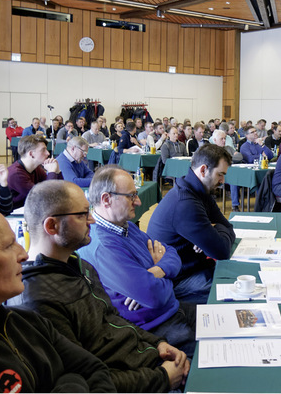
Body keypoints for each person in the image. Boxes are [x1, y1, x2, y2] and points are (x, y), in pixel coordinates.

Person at [12, 181, 189, 392]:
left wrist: (157, 344)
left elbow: (114, 318)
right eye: (82, 214)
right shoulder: (38, 300)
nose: (92, 220)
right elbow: (86, 381)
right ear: (52, 226)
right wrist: (162, 378)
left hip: (147, 359)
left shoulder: (79, 265)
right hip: (142, 381)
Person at [0, 201, 115, 392]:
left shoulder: (26, 321)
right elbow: (82, 374)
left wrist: (69, 380)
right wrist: (72, 380)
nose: (23, 254)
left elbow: (95, 370)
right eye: (9, 245)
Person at [77, 166, 196, 357]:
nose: (138, 201)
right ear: (106, 199)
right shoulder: (104, 246)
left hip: (171, 309)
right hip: (154, 328)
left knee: (223, 323)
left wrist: (155, 271)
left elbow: (172, 253)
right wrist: (162, 272)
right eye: (131, 196)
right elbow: (154, 296)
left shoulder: (126, 227)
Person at [148, 144, 235, 304]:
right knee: (235, 291)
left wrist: (215, 229)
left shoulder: (199, 191)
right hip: (178, 279)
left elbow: (228, 227)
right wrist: (214, 229)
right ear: (203, 170)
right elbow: (222, 251)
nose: (223, 181)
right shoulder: (186, 203)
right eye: (220, 174)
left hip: (193, 267)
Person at [7, 135, 61, 208]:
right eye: (43, 150)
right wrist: (52, 172)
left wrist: (57, 171)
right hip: (14, 215)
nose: (48, 153)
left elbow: (57, 190)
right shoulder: (16, 174)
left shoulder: (36, 168)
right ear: (31, 154)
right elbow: (45, 196)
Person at [210, 129, 242, 210]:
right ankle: (235, 205)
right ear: (215, 140)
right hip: (220, 174)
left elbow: (240, 157)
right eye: (222, 139)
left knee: (237, 178)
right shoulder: (212, 150)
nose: (224, 140)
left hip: (232, 173)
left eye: (225, 138)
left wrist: (228, 159)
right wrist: (231, 158)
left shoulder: (229, 148)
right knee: (233, 180)